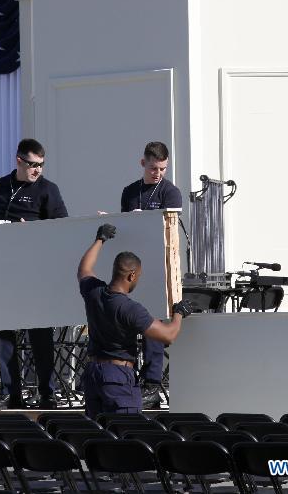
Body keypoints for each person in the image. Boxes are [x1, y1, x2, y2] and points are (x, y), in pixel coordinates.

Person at [0, 138, 68, 409]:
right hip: (3, 270)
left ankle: (47, 392)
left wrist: (32, 229)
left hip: (35, 272)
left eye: (41, 165)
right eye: (32, 165)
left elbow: (63, 227)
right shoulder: (1, 185)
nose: (37, 170)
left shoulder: (48, 190)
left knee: (40, 334)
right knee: (2, 331)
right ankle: (12, 392)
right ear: (19, 161)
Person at [77, 223, 192, 418]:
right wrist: (179, 313)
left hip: (93, 374)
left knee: (97, 434)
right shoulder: (130, 309)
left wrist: (100, 239)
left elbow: (84, 268)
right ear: (131, 275)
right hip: (117, 378)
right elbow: (169, 335)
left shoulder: (94, 292)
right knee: (126, 436)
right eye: (138, 276)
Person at [120, 141, 182, 407]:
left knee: (153, 324)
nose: (159, 173)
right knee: (128, 320)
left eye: (163, 168)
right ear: (142, 163)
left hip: (159, 266)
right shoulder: (130, 192)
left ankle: (153, 383)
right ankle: (128, 377)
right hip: (133, 268)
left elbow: (170, 228)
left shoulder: (170, 192)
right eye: (155, 168)